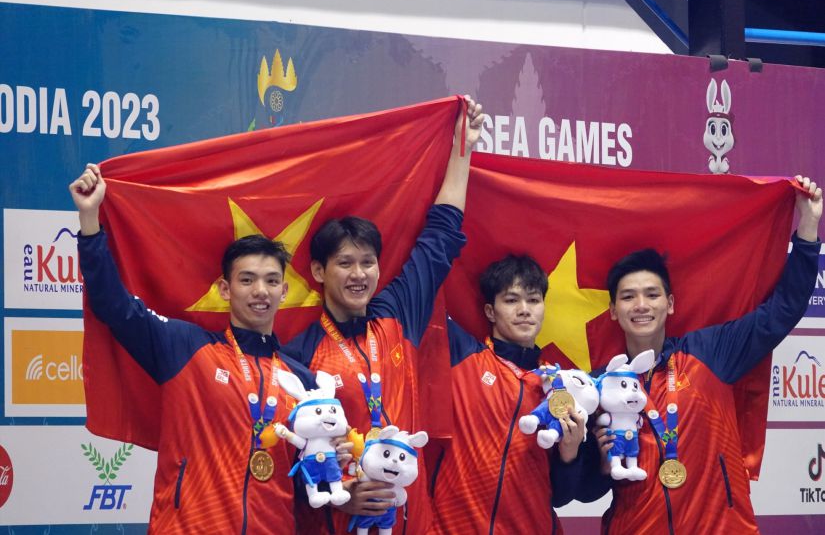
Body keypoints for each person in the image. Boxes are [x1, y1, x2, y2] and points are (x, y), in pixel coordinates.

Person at [71, 164, 330, 534]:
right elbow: (114, 307)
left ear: (284, 292)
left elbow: (309, 482)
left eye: (272, 281)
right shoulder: (184, 347)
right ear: (225, 289)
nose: (261, 291)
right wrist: (90, 218)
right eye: (247, 280)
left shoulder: (302, 381)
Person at [281, 96, 483, 534]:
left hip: (412, 521)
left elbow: (441, 238)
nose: (359, 275)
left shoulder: (396, 315)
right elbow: (284, 461)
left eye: (368, 262)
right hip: (337, 519)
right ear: (318, 271)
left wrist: (461, 149)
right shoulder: (297, 355)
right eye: (345, 263)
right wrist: (343, 499)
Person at [589, 175, 822, 533]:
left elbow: (781, 312)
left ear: (670, 305)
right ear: (613, 311)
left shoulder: (710, 353)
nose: (641, 305)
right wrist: (597, 465)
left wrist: (807, 227)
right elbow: (582, 488)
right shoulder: (600, 385)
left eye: (652, 295)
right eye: (628, 296)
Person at [428, 254, 586, 534]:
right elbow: (426, 282)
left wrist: (570, 451)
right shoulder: (462, 356)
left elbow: (562, 496)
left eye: (534, 300)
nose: (524, 310)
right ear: (490, 311)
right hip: (452, 527)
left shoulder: (560, 386)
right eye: (511, 300)